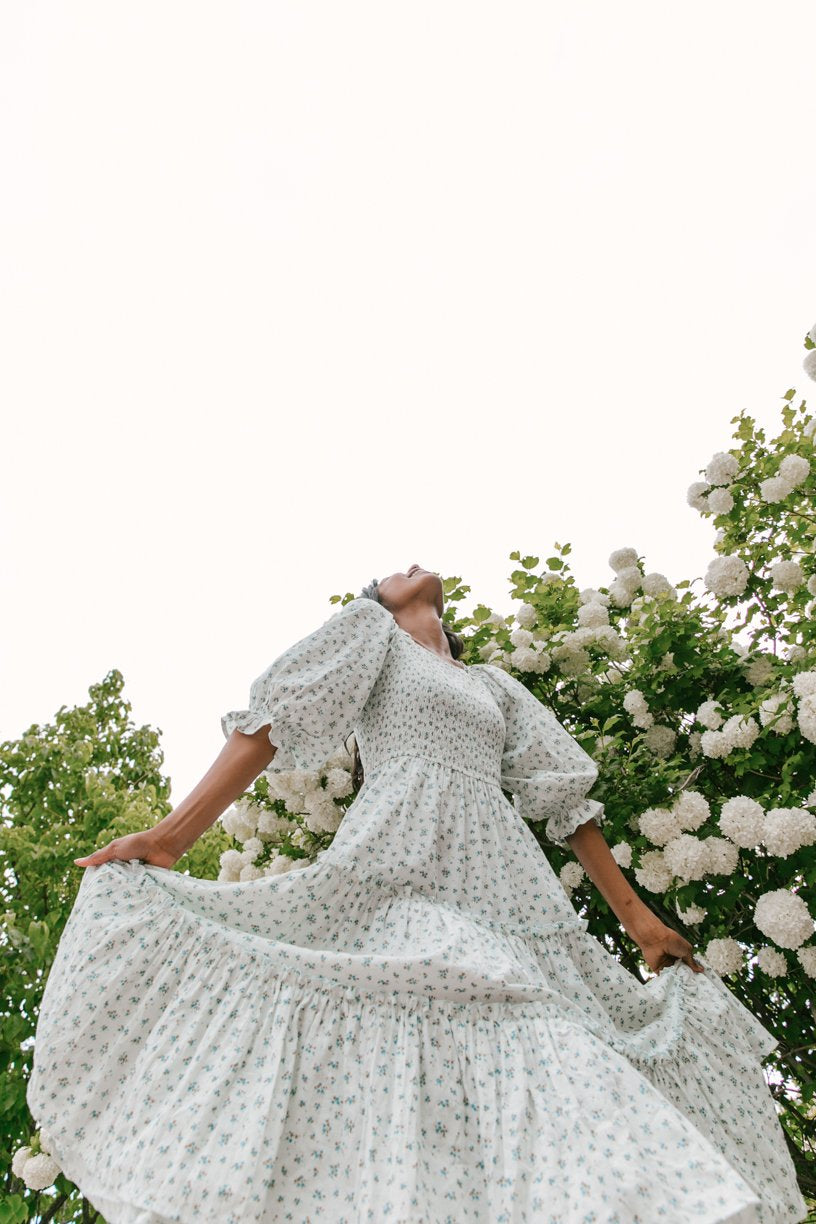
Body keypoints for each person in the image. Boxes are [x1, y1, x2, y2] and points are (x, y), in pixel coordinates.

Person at [27, 565, 806, 1223]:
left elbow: (565, 805)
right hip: (401, 867)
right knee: (502, 1009)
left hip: (507, 885)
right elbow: (272, 722)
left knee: (552, 1040)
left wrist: (638, 920)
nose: (406, 561)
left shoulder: (493, 687)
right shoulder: (370, 636)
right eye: (387, 572)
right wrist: (170, 838)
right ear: (381, 599)